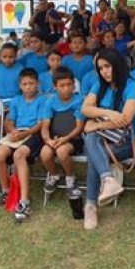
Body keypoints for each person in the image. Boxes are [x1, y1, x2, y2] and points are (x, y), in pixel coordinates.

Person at [79, 48, 135, 230]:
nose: (104, 72)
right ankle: (108, 180)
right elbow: (85, 109)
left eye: (107, 66)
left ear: (117, 65)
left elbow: (126, 119)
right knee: (92, 140)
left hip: (127, 140)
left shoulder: (132, 86)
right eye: (100, 68)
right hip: (104, 138)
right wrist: (109, 113)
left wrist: (97, 124)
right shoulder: (100, 85)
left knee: (94, 154)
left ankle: (90, 206)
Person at [0, 68, 47, 219]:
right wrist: (13, 131)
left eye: (31, 83)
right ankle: (6, 191)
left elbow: (40, 124)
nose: (28, 87)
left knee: (19, 155)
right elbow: (9, 121)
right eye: (25, 84)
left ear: (37, 84)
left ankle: (24, 201)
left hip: (34, 134)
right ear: (20, 85)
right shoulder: (16, 100)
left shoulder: (43, 100)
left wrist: (23, 134)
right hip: (18, 133)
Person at [38, 66, 85, 206]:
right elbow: (45, 126)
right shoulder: (50, 101)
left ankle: (70, 177)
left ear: (74, 84)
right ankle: (54, 175)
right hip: (55, 138)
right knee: (45, 153)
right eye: (62, 85)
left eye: (69, 84)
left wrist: (65, 139)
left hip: (73, 139)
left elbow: (79, 127)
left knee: (62, 151)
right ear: (55, 87)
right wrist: (48, 140)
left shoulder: (79, 100)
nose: (66, 89)